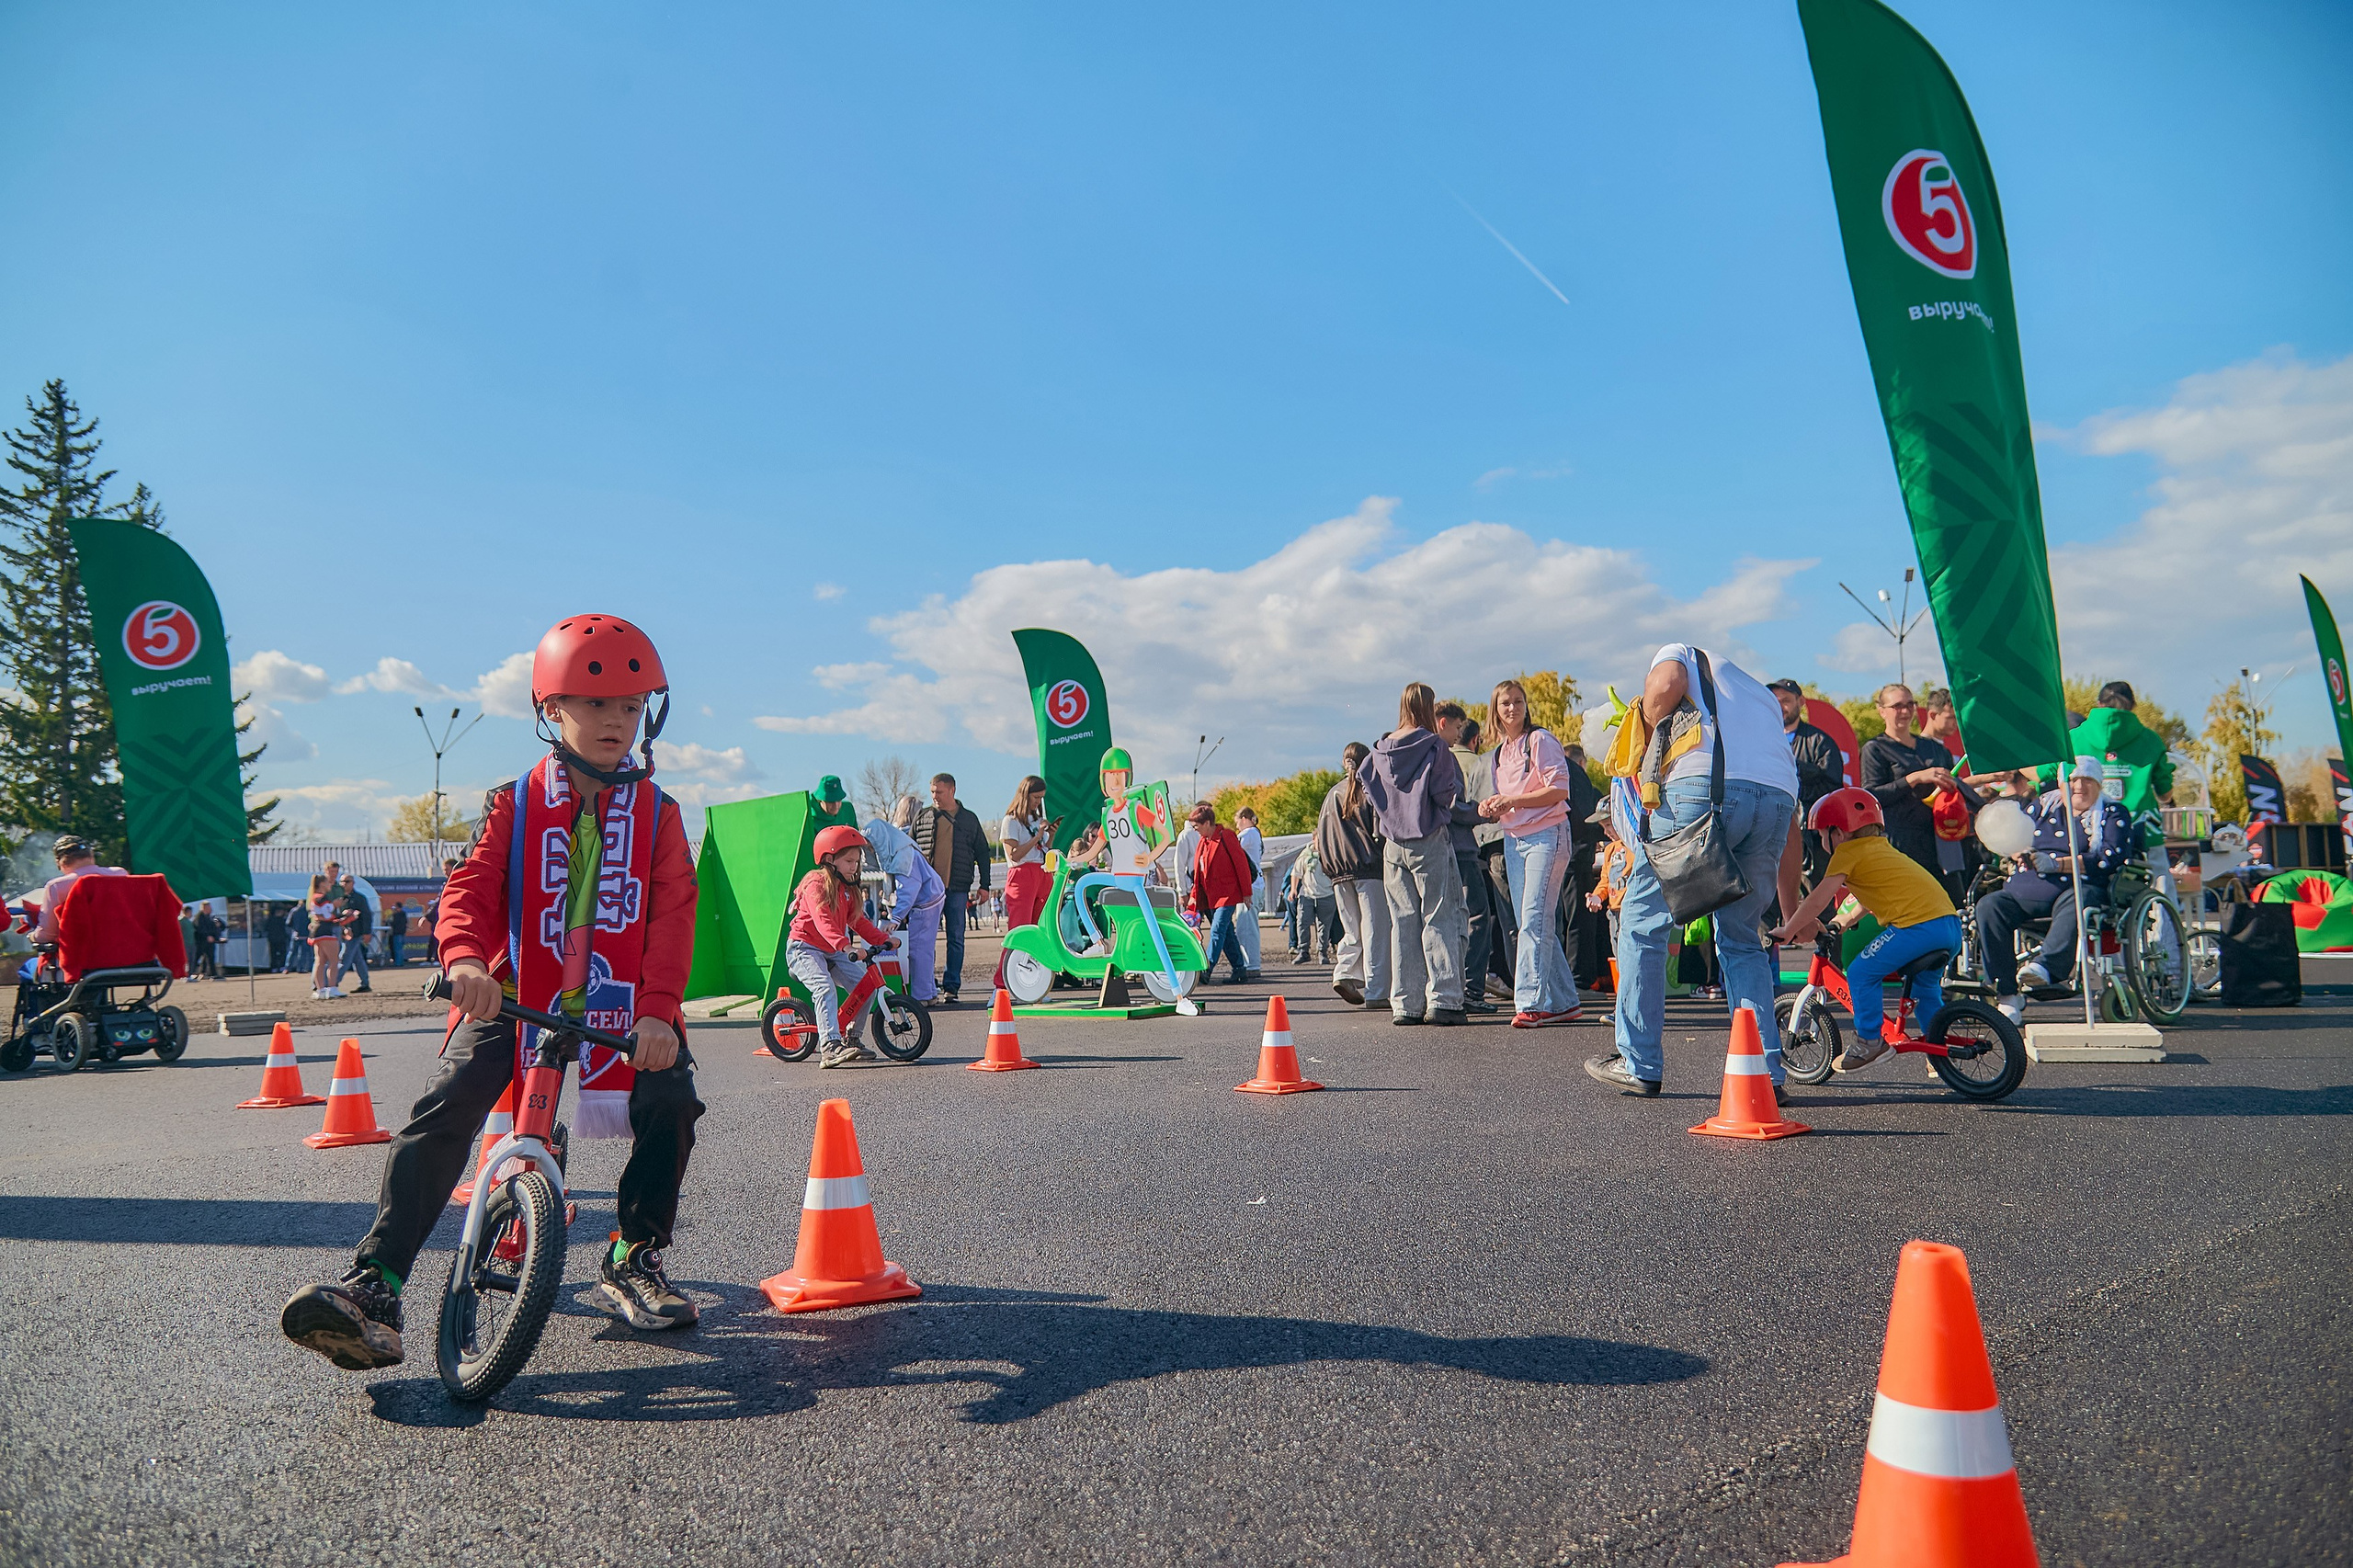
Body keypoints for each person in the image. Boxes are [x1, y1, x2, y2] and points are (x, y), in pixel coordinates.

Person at [280, 613, 703, 1371]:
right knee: (446, 1104)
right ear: (552, 710)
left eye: (632, 706)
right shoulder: (514, 802)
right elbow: (470, 889)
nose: (617, 720)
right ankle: (375, 1284)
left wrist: (657, 1012)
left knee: (670, 1100)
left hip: (623, 1003)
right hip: (517, 993)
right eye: (596, 704)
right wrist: (467, 960)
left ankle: (634, 1256)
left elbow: (673, 918)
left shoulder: (660, 815)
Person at [1586, 642, 1802, 1097]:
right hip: (1777, 802)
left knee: (1643, 924)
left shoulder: (1680, 650)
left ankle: (1638, 1062)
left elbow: (1666, 683)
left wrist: (1647, 734)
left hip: (1703, 788)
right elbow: (1792, 829)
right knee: (1743, 941)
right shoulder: (1764, 700)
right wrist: (1792, 912)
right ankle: (1766, 1073)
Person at [1770, 788, 1963, 1071]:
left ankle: (1870, 1042)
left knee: (1861, 971)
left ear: (1839, 833)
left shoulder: (1847, 852)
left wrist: (1789, 928)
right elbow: (1863, 899)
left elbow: (1818, 898)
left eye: (1822, 835)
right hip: (1949, 927)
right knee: (1924, 989)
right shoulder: (1881, 849)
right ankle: (1938, 1050)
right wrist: (1839, 923)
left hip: (1917, 928)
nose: (1822, 841)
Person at [1976, 756, 2133, 1024]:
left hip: (2078, 886)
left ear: (2099, 784)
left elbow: (2109, 857)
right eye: (2073, 780)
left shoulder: (2112, 813)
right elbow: (2014, 838)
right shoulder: (2042, 806)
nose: (2079, 786)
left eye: (2087, 780)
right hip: (2025, 888)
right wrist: (2017, 851)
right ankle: (2007, 994)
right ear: (2061, 783)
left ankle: (2046, 967)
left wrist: (2058, 864)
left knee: (2078, 898)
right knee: (1989, 905)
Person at [1360, 683, 1466, 1027]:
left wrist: (1388, 810)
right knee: (1438, 916)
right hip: (1428, 836)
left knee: (1403, 922)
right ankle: (1444, 999)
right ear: (1428, 708)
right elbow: (1444, 792)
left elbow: (1366, 782)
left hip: (1393, 843)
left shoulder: (1380, 750)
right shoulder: (1434, 745)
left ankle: (1406, 1003)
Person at [1480, 679, 1580, 1028]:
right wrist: (1492, 807)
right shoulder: (1500, 753)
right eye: (1505, 703)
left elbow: (1559, 790)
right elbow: (1512, 800)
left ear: (1526, 706)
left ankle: (1530, 1003)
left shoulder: (1540, 741)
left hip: (1546, 835)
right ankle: (1564, 1002)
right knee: (1531, 922)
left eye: (1518, 701)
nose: (1512, 708)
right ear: (1495, 710)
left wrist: (1513, 800)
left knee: (1535, 918)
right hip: (1514, 838)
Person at [2036, 681, 2177, 892]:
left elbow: (2041, 773)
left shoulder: (2073, 737)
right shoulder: (2150, 740)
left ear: (2099, 703)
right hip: (2142, 832)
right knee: (2160, 885)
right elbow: (2164, 792)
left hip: (2089, 828)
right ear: (2133, 705)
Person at [789, 824, 899, 1067]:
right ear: (829, 860)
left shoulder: (847, 889)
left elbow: (858, 921)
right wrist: (846, 947)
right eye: (849, 861)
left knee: (865, 987)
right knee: (824, 987)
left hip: (833, 950)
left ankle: (852, 1039)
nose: (854, 867)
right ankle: (829, 1047)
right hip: (803, 948)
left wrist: (883, 939)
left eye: (857, 862)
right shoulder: (816, 885)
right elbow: (823, 921)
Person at [1314, 742, 1388, 1009]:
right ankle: (1377, 990)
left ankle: (1344, 971)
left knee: (1352, 928)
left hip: (1338, 873)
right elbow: (1380, 832)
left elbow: (1320, 837)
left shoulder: (1332, 794)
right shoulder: (1370, 791)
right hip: (1369, 869)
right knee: (1375, 931)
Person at [1859, 684, 1959, 880]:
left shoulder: (1934, 748)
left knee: (1951, 896)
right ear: (1882, 711)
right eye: (1897, 706)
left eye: (1910, 705)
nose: (1905, 711)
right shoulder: (1876, 748)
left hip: (1941, 840)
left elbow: (1955, 786)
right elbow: (1871, 796)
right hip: (1900, 843)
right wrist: (1913, 779)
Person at [1436, 705, 1499, 1015]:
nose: (1459, 734)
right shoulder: (1443, 756)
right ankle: (1472, 989)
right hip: (1460, 848)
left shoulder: (1419, 755)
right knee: (1477, 917)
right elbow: (1451, 805)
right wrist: (1482, 812)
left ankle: (1446, 989)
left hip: (1435, 848)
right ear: (1443, 723)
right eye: (1457, 727)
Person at [914, 772, 992, 1006]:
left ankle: (951, 986)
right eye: (932, 792)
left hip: (957, 887)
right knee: (924, 940)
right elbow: (910, 851)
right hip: (928, 891)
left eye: (939, 792)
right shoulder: (923, 816)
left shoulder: (969, 819)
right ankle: (927, 986)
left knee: (956, 937)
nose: (935, 796)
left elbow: (983, 853)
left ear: (952, 791)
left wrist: (985, 885)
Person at [860, 801, 946, 1003]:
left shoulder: (902, 856)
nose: (871, 850)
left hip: (925, 903)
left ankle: (922, 996)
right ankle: (928, 993)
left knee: (917, 950)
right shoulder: (902, 848)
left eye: (872, 846)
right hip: (930, 899)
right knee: (923, 949)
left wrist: (895, 918)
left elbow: (908, 889)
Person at [1768, 677, 1846, 882]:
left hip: (1811, 838)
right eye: (1774, 701)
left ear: (1800, 702)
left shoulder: (1820, 741)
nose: (1780, 707)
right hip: (1769, 834)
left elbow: (1833, 788)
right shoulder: (1762, 740)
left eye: (1786, 700)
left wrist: (1795, 780)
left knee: (1812, 893)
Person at [995, 775, 1055, 991]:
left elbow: (1043, 850)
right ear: (1025, 795)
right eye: (1036, 797)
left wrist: (1050, 835)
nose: (1038, 802)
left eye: (1041, 798)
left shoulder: (1036, 819)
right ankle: (1001, 985)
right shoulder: (1010, 821)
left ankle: (1034, 984)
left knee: (1040, 931)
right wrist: (1037, 836)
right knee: (1019, 930)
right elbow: (1014, 854)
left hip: (1042, 873)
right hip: (1022, 875)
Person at [1185, 803, 1255, 983]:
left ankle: (1206, 968)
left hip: (1228, 895)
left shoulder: (1227, 836)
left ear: (1207, 823)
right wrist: (1194, 899)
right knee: (1227, 933)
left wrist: (1246, 893)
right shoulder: (1203, 842)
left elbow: (1241, 865)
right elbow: (1199, 875)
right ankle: (1239, 970)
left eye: (1197, 826)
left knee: (1217, 929)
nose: (1195, 830)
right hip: (1211, 897)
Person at [28, 836, 128, 943]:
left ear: (60, 863)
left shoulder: (57, 886)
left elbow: (47, 935)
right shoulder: (120, 874)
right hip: (127, 945)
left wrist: (32, 936)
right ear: (91, 855)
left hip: (84, 950)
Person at [1288, 839, 1336, 964]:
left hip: (1327, 894)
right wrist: (1293, 889)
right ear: (1314, 839)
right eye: (1319, 839)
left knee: (1324, 926)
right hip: (1307, 894)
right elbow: (1296, 873)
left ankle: (1322, 952)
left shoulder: (1331, 854)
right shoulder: (1305, 855)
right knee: (1302, 923)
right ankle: (1303, 951)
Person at [1232, 807, 1265, 979]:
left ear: (1244, 818)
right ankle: (1250, 963)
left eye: (1237, 822)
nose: (1237, 826)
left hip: (1250, 886)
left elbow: (1232, 848)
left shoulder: (1249, 833)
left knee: (1246, 928)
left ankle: (1251, 965)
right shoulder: (1256, 834)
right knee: (1246, 926)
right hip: (1256, 884)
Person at [303, 876, 346, 999]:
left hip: (317, 930)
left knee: (320, 961)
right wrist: (335, 906)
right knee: (333, 961)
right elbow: (327, 915)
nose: (330, 884)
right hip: (325, 930)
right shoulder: (322, 897)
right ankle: (332, 988)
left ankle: (320, 990)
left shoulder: (314, 896)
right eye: (327, 882)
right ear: (322, 884)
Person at [335, 873, 374, 994]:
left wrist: (367, 932)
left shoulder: (359, 898)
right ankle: (364, 983)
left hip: (355, 933)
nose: (344, 884)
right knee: (357, 959)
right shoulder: (338, 898)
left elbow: (366, 916)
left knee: (344, 958)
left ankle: (332, 983)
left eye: (347, 881)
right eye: (342, 881)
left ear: (353, 883)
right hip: (342, 932)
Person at [385, 900, 410, 967]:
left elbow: (393, 923)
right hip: (402, 933)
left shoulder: (396, 915)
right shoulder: (404, 914)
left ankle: (398, 963)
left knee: (397, 949)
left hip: (397, 933)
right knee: (400, 948)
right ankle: (400, 962)